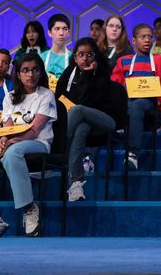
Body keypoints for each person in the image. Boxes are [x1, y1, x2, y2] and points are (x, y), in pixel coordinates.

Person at [0, 55, 56, 238]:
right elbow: (7, 126)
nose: (30, 74)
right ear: (18, 73)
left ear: (40, 72)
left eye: (34, 70)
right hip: (12, 141)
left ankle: (30, 208)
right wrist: (3, 139)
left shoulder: (46, 95)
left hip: (38, 143)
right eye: (25, 70)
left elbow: (35, 130)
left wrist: (9, 142)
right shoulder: (10, 96)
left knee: (12, 153)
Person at [59, 38, 126, 203]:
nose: (85, 58)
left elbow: (89, 102)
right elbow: (59, 98)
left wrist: (89, 75)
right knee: (81, 128)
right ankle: (75, 184)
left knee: (78, 110)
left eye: (89, 54)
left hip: (106, 121)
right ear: (75, 58)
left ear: (95, 56)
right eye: (81, 55)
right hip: (82, 123)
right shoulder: (69, 73)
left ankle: (59, 143)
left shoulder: (102, 74)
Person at [111, 22, 161, 170]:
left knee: (135, 106)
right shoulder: (123, 61)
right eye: (143, 37)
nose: (148, 40)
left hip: (152, 107)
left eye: (150, 37)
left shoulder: (160, 61)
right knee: (129, 105)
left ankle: (133, 154)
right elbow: (113, 88)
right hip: (128, 105)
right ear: (134, 40)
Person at [41, 14, 73, 81]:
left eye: (65, 29)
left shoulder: (73, 58)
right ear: (49, 32)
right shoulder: (42, 57)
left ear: (68, 33)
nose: (61, 33)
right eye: (57, 29)